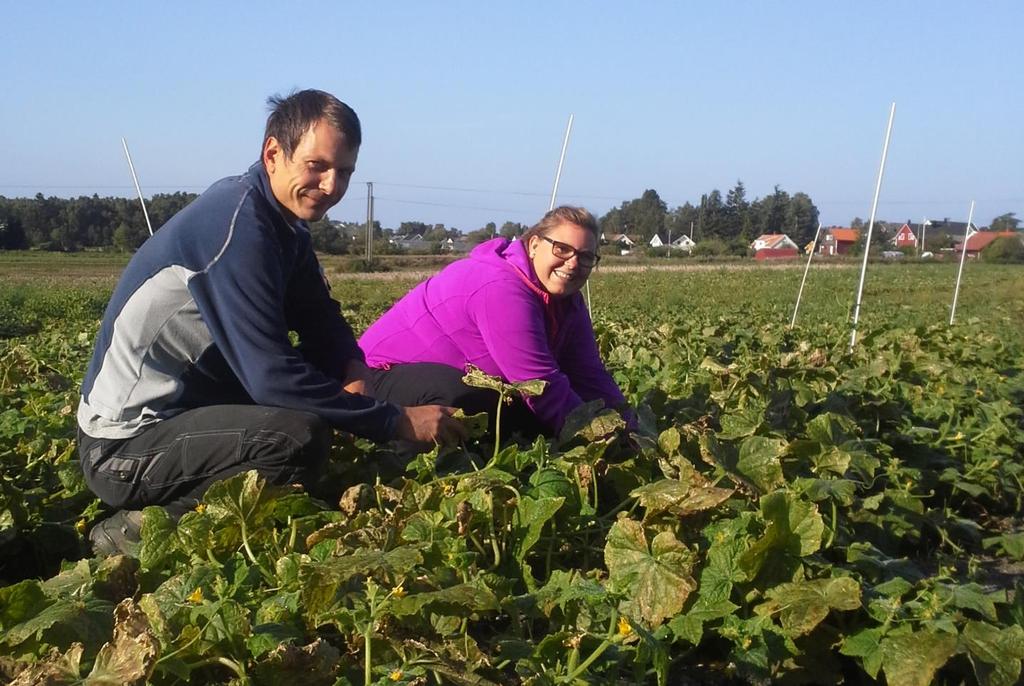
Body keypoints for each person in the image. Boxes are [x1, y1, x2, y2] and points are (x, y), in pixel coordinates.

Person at [77, 89, 465, 556]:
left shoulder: (284, 223)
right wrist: (393, 420)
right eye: (318, 166)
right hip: (125, 445)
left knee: (326, 397)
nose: (331, 186)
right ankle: (133, 535)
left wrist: (354, 369)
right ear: (273, 154)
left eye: (344, 172)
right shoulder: (238, 225)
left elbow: (320, 319)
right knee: (293, 438)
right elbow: (270, 377)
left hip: (194, 410)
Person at [359, 206, 632, 437]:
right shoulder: (500, 287)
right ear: (534, 245)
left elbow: (589, 375)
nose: (573, 263)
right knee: (469, 401)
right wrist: (597, 436)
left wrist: (630, 428)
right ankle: (398, 458)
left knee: (515, 414)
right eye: (562, 249)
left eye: (585, 257)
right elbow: (539, 384)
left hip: (450, 377)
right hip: (377, 378)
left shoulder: (569, 301)